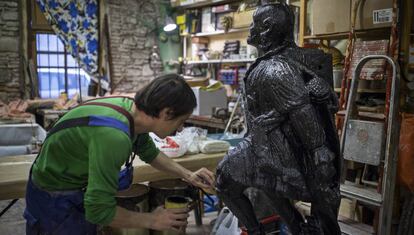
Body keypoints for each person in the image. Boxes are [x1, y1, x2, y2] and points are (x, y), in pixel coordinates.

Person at [24, 74, 215, 234]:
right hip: (53, 198)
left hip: (72, 185)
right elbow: (98, 211)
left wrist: (188, 175)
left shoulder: (131, 111)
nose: (181, 129)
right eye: (181, 121)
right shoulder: (114, 137)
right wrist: (152, 220)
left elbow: (149, 152)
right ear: (166, 113)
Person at [215, 3, 341, 235]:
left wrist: (319, 150)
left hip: (278, 148)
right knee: (256, 182)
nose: (250, 28)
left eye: (254, 23)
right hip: (262, 141)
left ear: (267, 29)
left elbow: (302, 110)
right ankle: (287, 228)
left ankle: (264, 230)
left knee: (226, 181)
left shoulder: (275, 69)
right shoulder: (278, 61)